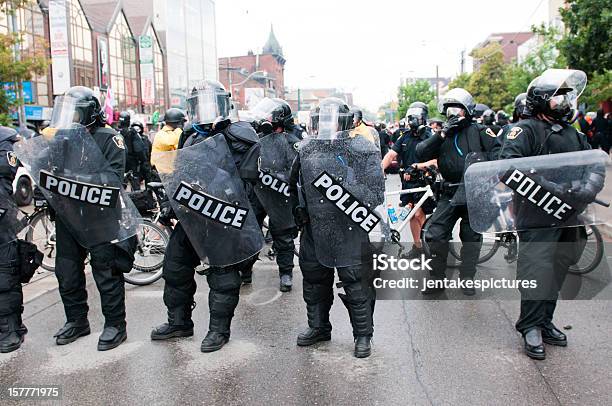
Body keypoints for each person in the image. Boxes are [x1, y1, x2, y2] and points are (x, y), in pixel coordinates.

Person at [151, 80, 261, 353]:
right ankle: (179, 322)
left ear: (225, 105)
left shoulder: (242, 137)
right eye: (199, 104)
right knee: (174, 268)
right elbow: (178, 175)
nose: (205, 111)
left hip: (222, 216)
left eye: (211, 103)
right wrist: (169, 204)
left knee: (223, 277)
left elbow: (247, 185)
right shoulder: (189, 136)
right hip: (191, 217)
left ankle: (218, 331)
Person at [499, 69, 601, 360]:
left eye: (566, 96)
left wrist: (586, 189)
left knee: (561, 263)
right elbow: (508, 168)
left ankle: (544, 319)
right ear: (542, 100)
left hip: (569, 215)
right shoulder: (525, 130)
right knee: (537, 269)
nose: (565, 102)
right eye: (558, 97)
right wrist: (553, 190)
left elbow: (592, 162)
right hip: (537, 215)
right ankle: (529, 325)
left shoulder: (572, 132)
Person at [40, 86, 136, 351]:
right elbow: (48, 169)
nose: (71, 118)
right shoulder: (62, 138)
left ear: (90, 113)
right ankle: (77, 321)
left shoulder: (110, 138)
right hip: (69, 216)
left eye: (76, 113)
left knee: (106, 272)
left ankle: (116, 325)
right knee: (67, 272)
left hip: (100, 218)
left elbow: (114, 179)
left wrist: (77, 179)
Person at [289, 97, 383, 358]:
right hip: (314, 228)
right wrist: (298, 213)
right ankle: (318, 327)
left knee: (356, 282)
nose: (325, 126)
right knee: (314, 279)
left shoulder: (361, 148)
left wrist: (343, 182)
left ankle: (363, 335)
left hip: (349, 228)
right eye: (321, 121)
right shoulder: (306, 149)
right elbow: (294, 184)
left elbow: (375, 193)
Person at [416, 88, 497, 296]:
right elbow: (422, 151)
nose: (453, 114)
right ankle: (436, 279)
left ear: (467, 110)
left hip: (475, 193)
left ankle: (467, 277)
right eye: (449, 110)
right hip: (449, 193)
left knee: (471, 237)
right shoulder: (443, 134)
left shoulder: (480, 131)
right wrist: (442, 134)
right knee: (435, 235)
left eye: (457, 109)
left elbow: (498, 155)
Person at [243, 97, 300, 292]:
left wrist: (277, 178)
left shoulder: (292, 142)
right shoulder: (256, 139)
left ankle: (286, 272)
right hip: (256, 191)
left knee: (283, 235)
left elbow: (296, 172)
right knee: (250, 232)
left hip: (279, 193)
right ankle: (245, 271)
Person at [0, 127, 41, 352]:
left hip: (1, 223)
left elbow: (6, 172)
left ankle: (11, 329)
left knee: (4, 279)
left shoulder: (4, 140)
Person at [382, 102, 435, 258]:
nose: (412, 121)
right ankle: (417, 247)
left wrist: (419, 167)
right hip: (407, 182)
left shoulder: (430, 137)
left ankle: (427, 247)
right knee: (411, 214)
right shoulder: (404, 137)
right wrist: (379, 170)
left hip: (422, 181)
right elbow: (391, 155)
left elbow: (436, 161)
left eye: (416, 117)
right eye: (411, 117)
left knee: (419, 213)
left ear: (423, 118)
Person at [119, 112, 151, 190]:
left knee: (121, 188)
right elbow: (139, 149)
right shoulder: (132, 133)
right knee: (135, 187)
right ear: (128, 121)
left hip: (120, 162)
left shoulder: (116, 132)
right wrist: (143, 160)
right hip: (132, 163)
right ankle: (137, 202)